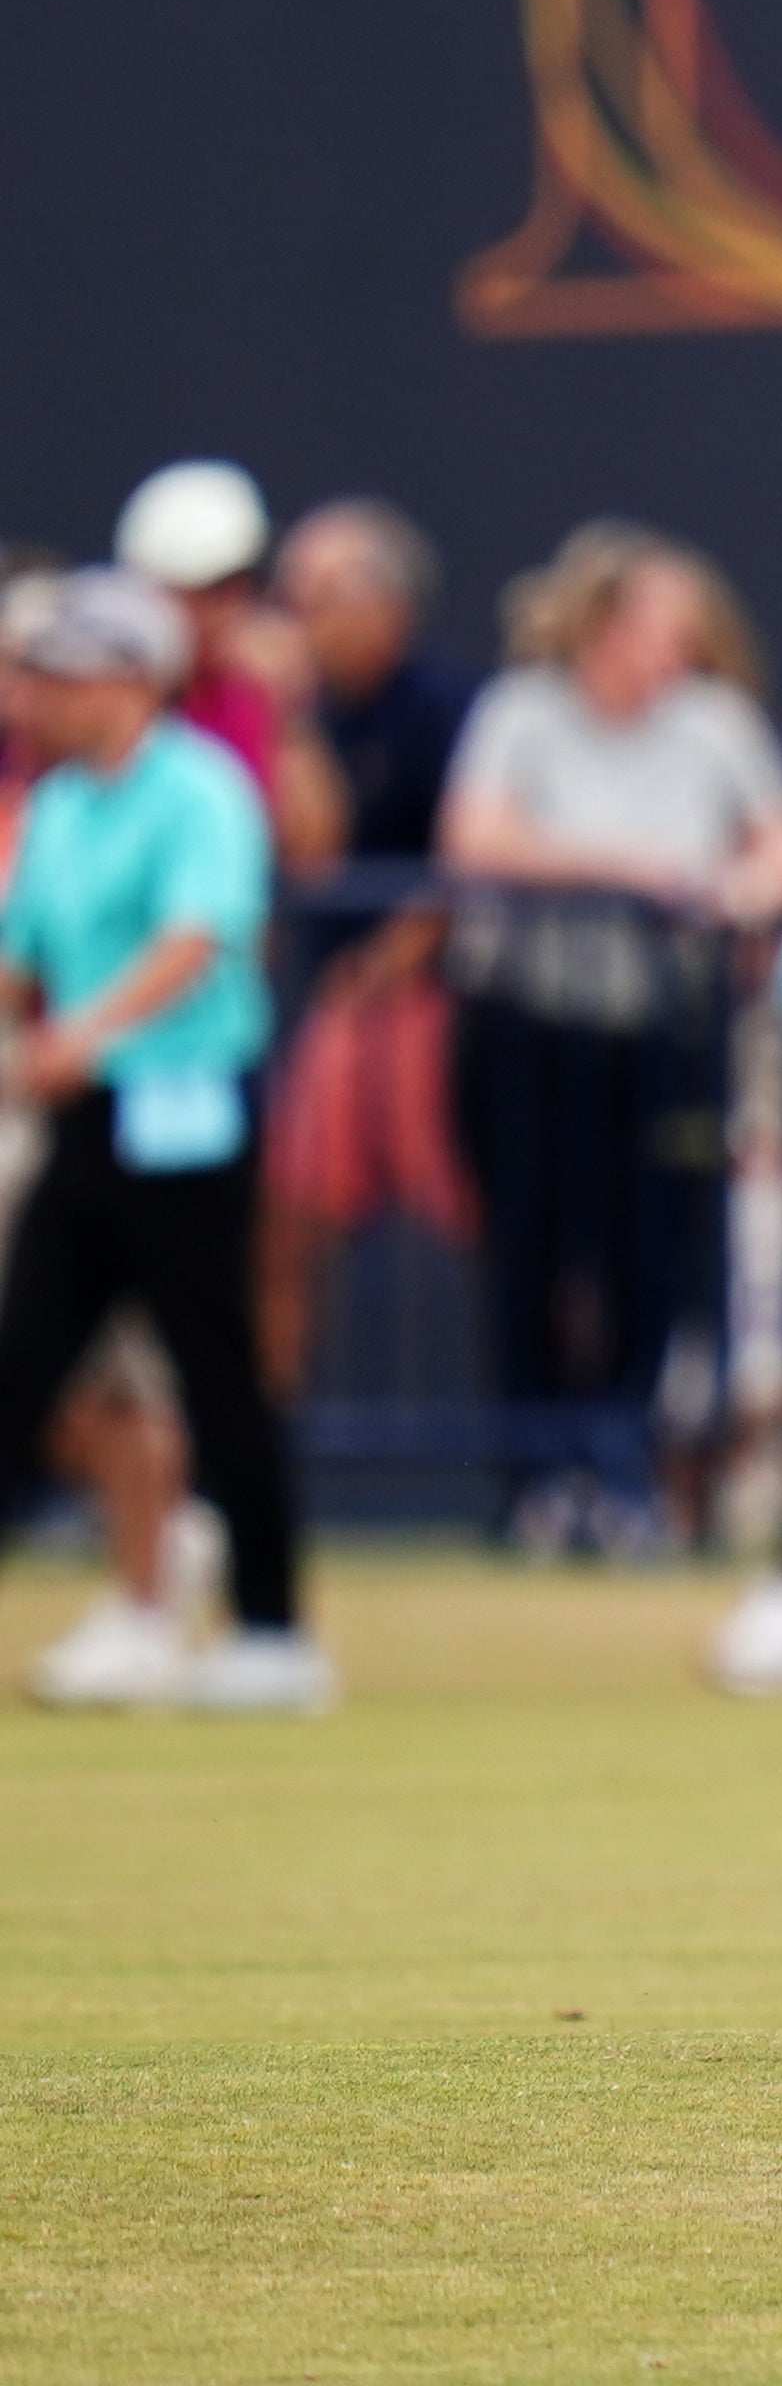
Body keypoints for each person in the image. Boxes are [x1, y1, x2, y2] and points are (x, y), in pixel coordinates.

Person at [438, 523, 782, 1548]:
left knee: (651, 1254)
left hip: (663, 1024)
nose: (674, 654)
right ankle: (533, 1472)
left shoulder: (714, 722)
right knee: (529, 1247)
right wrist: (636, 872)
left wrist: (745, 884)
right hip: (530, 1016)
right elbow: (477, 835)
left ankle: (622, 1466)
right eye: (658, 630)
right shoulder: (522, 709)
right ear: (598, 625)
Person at [0, 571, 329, 1711]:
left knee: (217, 1370)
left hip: (187, 1114)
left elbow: (200, 938)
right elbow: (20, 952)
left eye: (64, 674)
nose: (36, 694)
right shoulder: (58, 803)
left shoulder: (201, 788)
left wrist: (83, 1033)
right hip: (90, 1122)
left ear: (132, 680)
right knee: (23, 1361)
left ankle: (276, 1632)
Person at [259, 500, 477, 1395]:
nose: (296, 619)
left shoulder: (445, 707)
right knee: (286, 1222)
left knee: (481, 1221)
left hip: (435, 1007)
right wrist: (287, 721)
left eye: (321, 596)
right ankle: (257, 1452)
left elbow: (467, 856)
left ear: (389, 606)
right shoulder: (293, 716)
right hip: (333, 1004)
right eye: (292, 595)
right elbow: (310, 853)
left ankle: (564, 1457)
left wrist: (395, 956)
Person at [116, 460, 343, 873]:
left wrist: (289, 712)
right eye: (200, 592)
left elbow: (313, 862)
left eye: (233, 587)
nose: (220, 611)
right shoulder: (100, 693)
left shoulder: (257, 694)